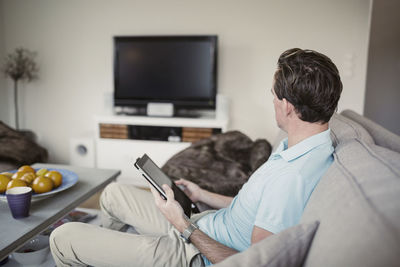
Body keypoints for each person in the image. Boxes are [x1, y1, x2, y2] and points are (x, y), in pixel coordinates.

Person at [49, 48, 343, 267]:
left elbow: (248, 262)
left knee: (62, 239)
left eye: (273, 96)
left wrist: (182, 225)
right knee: (112, 193)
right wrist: (201, 193)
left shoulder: (294, 177)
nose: (273, 102)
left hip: (192, 253)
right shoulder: (301, 148)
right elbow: (257, 210)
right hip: (201, 224)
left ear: (288, 106)